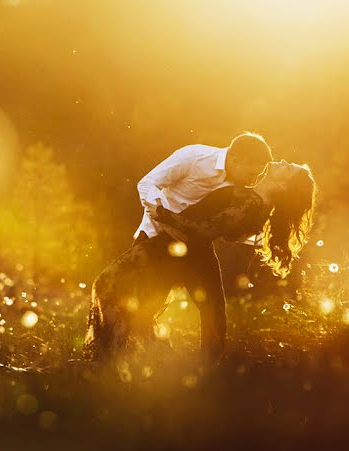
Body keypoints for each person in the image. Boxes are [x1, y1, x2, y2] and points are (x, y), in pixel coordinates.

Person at [84, 160, 317, 365]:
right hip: (168, 247)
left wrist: (161, 213)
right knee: (123, 299)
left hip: (168, 250)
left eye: (288, 168)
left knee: (109, 287)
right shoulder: (252, 200)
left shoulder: (252, 207)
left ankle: (110, 361)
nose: (282, 161)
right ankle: (116, 360)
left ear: (285, 186)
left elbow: (206, 230)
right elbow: (226, 230)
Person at [133, 133, 273, 246]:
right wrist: (164, 221)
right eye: (252, 174)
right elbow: (147, 183)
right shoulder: (194, 156)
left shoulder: (240, 190)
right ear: (235, 161)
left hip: (192, 250)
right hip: (152, 238)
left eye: (259, 175)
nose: (254, 181)